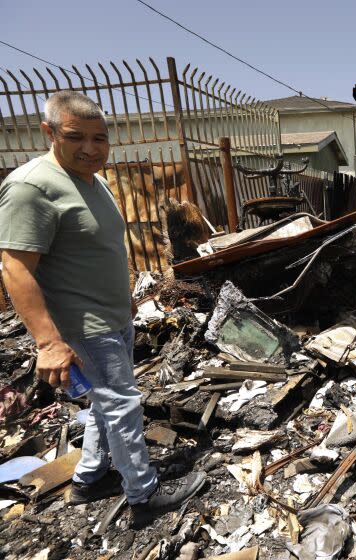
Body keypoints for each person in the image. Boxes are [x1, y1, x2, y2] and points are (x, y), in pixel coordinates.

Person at [0, 90, 205, 527]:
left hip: (114, 316)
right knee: (124, 405)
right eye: (77, 137)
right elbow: (15, 268)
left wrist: (126, 297)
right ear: (49, 132)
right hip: (84, 325)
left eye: (100, 138)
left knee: (104, 405)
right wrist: (48, 342)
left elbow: (101, 250)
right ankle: (144, 495)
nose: (91, 148)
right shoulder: (31, 187)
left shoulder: (96, 182)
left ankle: (90, 478)